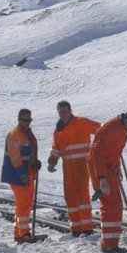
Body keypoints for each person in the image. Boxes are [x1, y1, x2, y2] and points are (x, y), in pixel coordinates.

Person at [87, 103, 127, 253]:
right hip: (99, 168)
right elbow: (97, 155)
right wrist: (102, 179)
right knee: (111, 205)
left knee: (116, 205)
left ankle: (111, 244)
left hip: (110, 168)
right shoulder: (110, 129)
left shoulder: (124, 128)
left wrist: (118, 166)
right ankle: (108, 246)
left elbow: (115, 151)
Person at [46, 100, 100, 236]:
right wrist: (52, 161)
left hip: (82, 165)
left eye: (64, 111)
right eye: (60, 112)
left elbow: (100, 129)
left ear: (70, 111)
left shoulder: (81, 122)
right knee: (70, 196)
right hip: (68, 168)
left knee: (82, 195)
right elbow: (56, 148)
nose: (62, 114)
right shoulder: (58, 131)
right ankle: (75, 228)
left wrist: (97, 149)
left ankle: (87, 228)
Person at [0, 108, 42, 243]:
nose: (28, 123)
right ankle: (24, 233)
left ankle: (19, 233)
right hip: (17, 174)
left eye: (29, 120)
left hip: (27, 172)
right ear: (19, 119)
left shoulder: (27, 133)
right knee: (23, 204)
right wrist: (22, 175)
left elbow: (28, 152)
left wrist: (35, 162)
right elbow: (15, 157)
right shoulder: (15, 134)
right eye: (25, 120)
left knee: (26, 203)